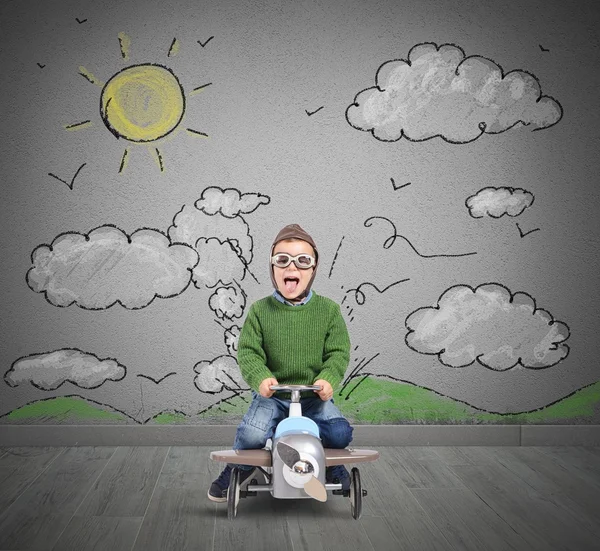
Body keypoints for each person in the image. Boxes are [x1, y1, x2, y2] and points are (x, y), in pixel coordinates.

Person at [208, 223, 354, 502]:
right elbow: (249, 352)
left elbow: (338, 352)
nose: (292, 268)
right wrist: (261, 378)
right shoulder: (260, 311)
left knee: (339, 432)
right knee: (252, 433)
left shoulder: (329, 311)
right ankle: (238, 467)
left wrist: (328, 379)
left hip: (312, 395)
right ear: (273, 267)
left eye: (302, 261)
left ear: (313, 269)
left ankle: (333, 467)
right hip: (273, 395)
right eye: (282, 260)